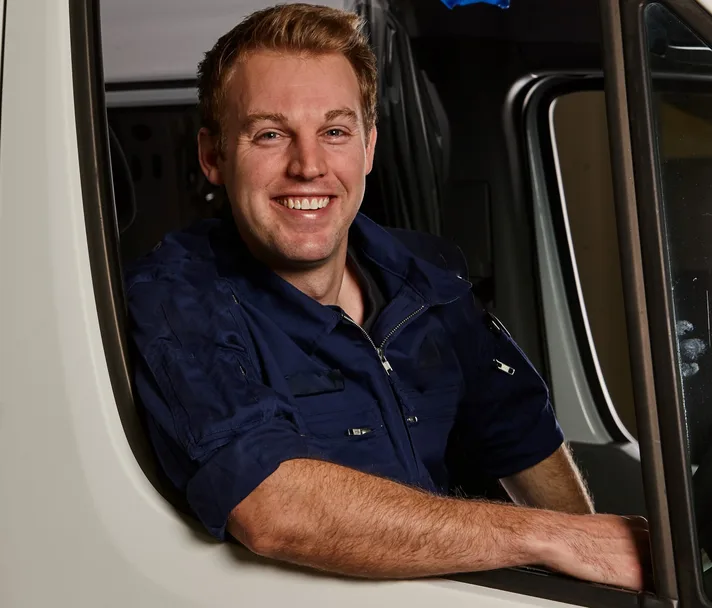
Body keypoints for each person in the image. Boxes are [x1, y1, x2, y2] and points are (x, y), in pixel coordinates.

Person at [125, 2, 649, 590]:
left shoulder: (427, 275)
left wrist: (593, 569)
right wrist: (547, 537)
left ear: (368, 148)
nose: (308, 166)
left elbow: (518, 431)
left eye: (334, 132)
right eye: (270, 134)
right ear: (213, 156)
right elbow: (273, 508)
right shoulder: (178, 300)